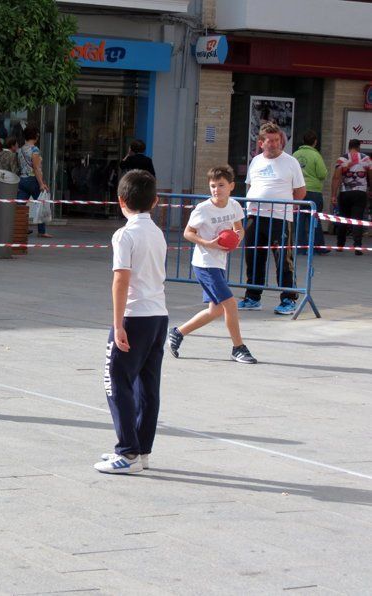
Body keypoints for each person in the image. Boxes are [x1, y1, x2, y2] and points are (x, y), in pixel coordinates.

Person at [94, 169, 167, 475]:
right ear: (155, 202)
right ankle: (142, 449)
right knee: (147, 386)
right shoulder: (157, 232)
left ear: (121, 201)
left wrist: (118, 323)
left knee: (116, 381)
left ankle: (128, 452)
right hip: (158, 315)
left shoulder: (125, 234)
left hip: (134, 316)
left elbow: (120, 280)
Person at [167, 166, 257, 365]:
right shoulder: (203, 209)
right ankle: (238, 348)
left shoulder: (234, 206)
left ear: (231, 186)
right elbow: (188, 233)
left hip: (219, 262)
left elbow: (239, 229)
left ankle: (177, 332)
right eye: (213, 186)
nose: (217, 189)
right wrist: (208, 243)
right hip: (205, 263)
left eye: (221, 185)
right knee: (231, 304)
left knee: (215, 310)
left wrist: (236, 240)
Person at [238, 122, 306, 315]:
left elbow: (300, 191)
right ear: (261, 143)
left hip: (279, 218)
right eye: (270, 140)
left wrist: (285, 207)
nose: (275, 144)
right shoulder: (256, 161)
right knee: (254, 258)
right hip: (254, 216)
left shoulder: (290, 162)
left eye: (277, 140)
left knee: (283, 259)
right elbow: (250, 186)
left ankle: (288, 299)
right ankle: (252, 297)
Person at [331, 139, 371, 255]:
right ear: (359, 147)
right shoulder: (366, 159)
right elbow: (371, 175)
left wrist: (333, 194)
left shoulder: (342, 159)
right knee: (357, 219)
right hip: (360, 193)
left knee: (343, 218)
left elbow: (336, 178)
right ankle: (357, 246)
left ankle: (340, 245)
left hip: (345, 193)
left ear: (349, 147)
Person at [292, 131, 329, 255]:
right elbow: (322, 174)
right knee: (315, 219)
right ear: (315, 142)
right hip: (314, 192)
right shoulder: (315, 155)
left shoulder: (295, 154)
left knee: (299, 220)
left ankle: (300, 247)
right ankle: (318, 247)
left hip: (297, 191)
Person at [16, 125, 52, 237]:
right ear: (35, 136)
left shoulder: (21, 149)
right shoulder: (34, 150)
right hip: (33, 180)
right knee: (41, 204)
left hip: (22, 180)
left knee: (19, 206)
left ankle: (18, 228)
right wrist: (41, 183)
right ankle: (42, 231)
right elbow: (36, 168)